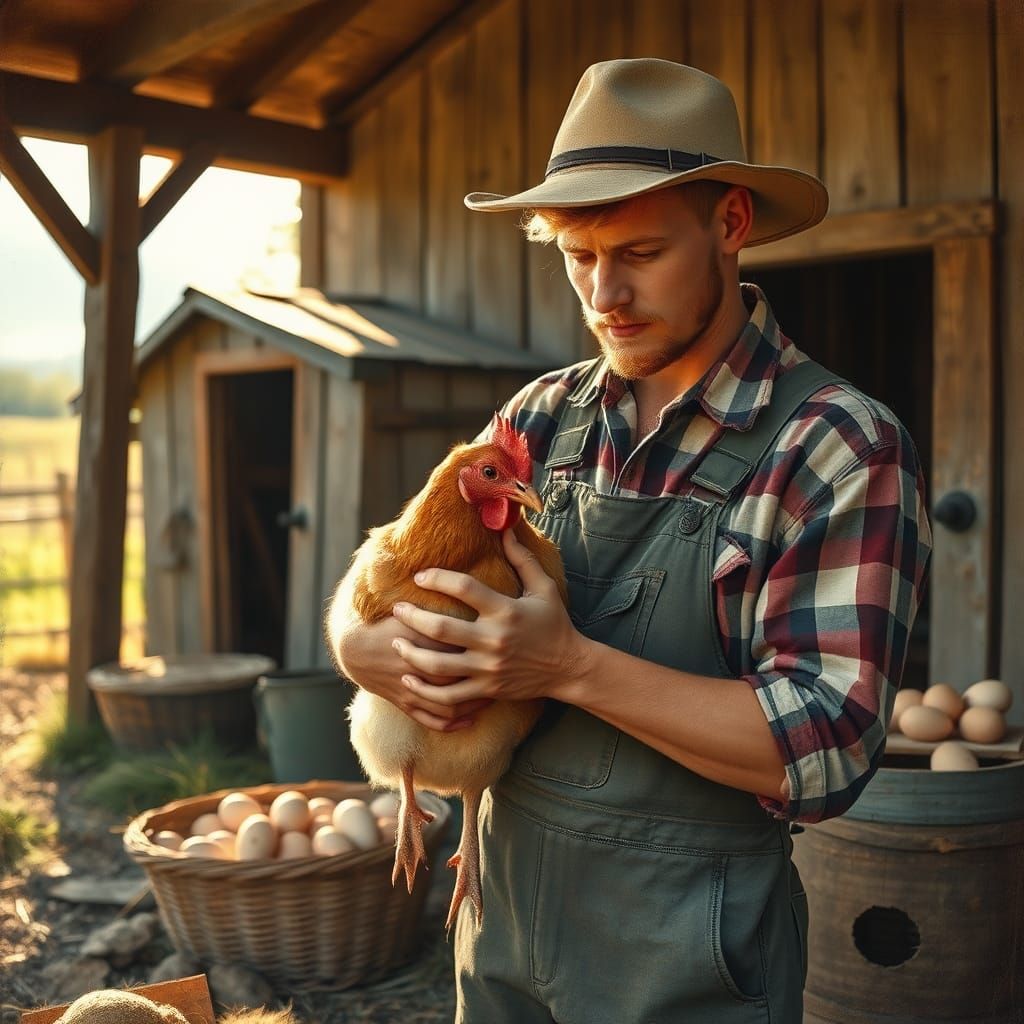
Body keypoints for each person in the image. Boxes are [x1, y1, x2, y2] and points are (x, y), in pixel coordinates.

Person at [330, 59, 932, 1023]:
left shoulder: (835, 446)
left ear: (731, 224)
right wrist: (361, 650)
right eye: (577, 254)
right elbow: (389, 567)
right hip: (503, 941)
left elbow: (825, 749)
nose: (603, 292)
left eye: (641, 252)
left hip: (689, 963)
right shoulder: (539, 418)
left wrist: (564, 666)